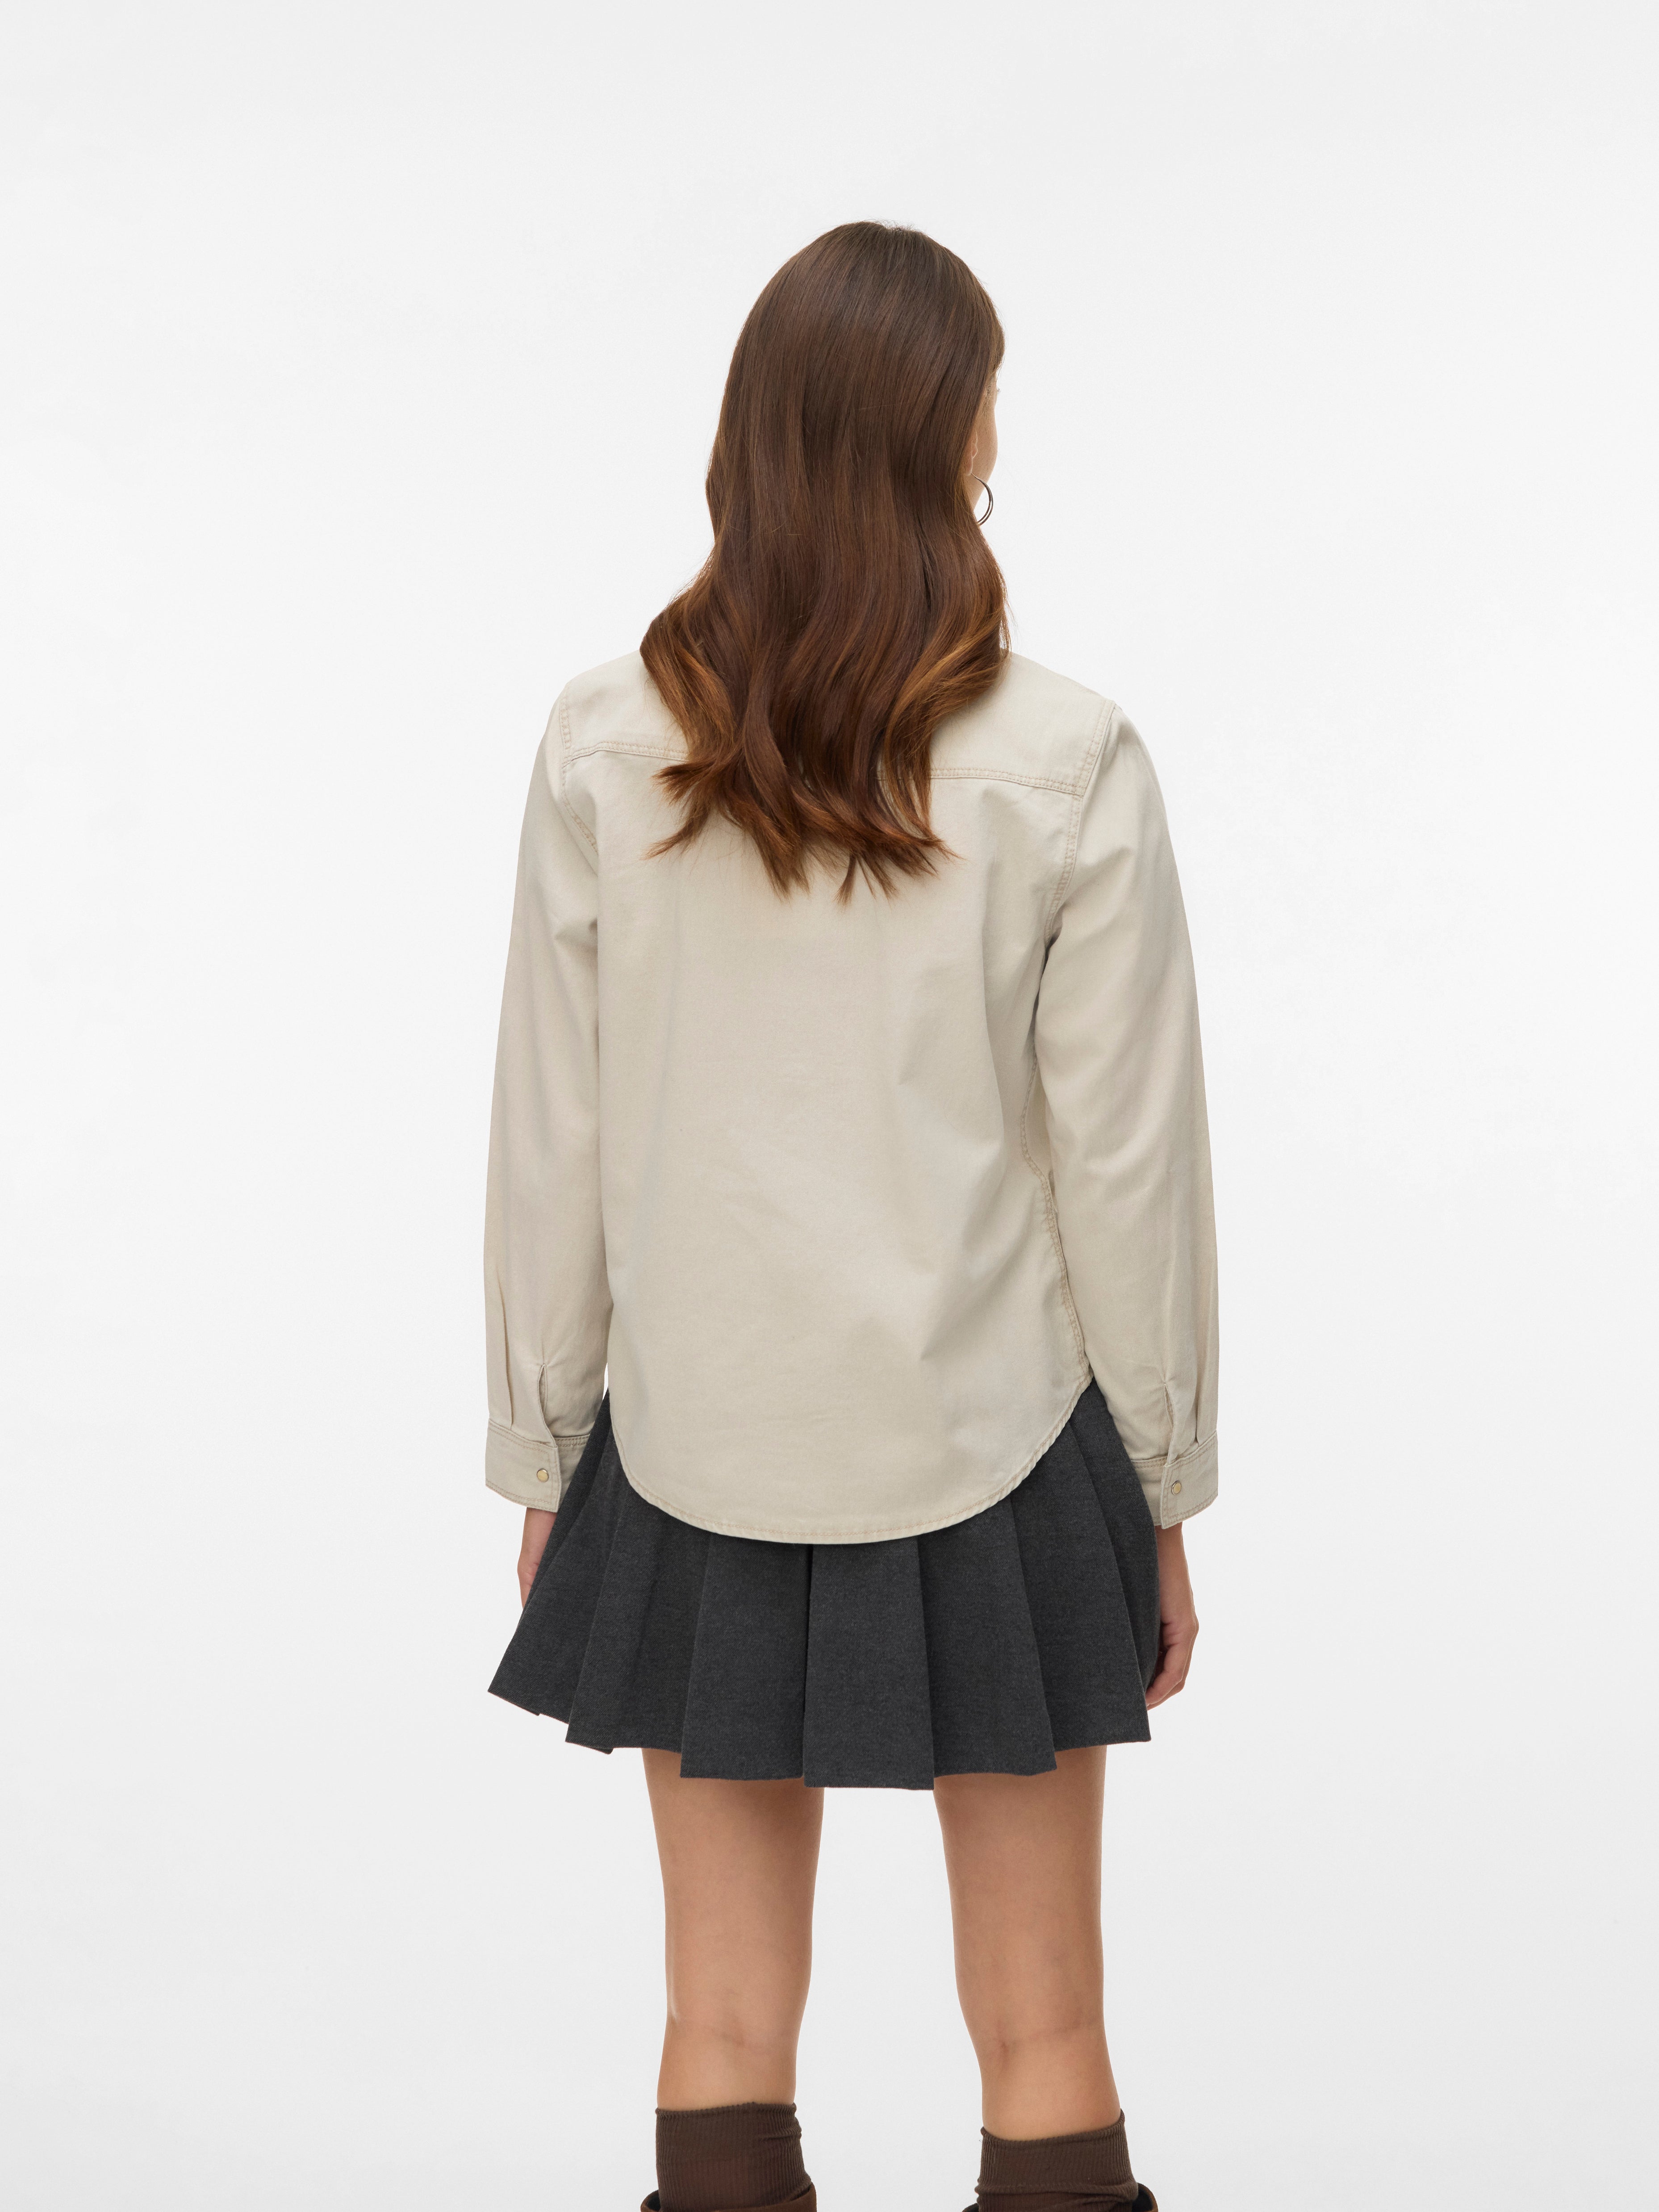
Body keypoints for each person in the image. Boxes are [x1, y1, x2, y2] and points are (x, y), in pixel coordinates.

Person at [482, 220, 1217, 2212]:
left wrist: (545, 1450)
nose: (999, 436)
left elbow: (552, 1137)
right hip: (998, 1442)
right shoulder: (1062, 757)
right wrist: (1158, 1484)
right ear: (944, 437)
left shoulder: (604, 739)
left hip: (689, 1441)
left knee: (717, 2019)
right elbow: (1127, 1164)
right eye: (989, 399)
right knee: (1046, 2029)